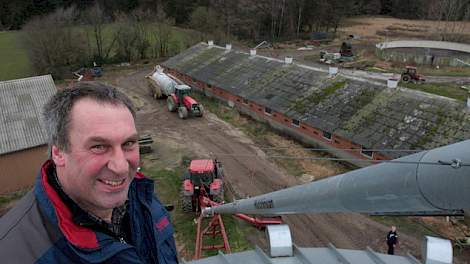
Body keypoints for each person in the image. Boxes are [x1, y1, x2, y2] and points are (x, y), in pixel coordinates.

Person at [0, 82, 178, 263]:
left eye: (128, 143)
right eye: (99, 146)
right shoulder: (13, 253)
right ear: (58, 153)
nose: (121, 167)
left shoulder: (144, 199)